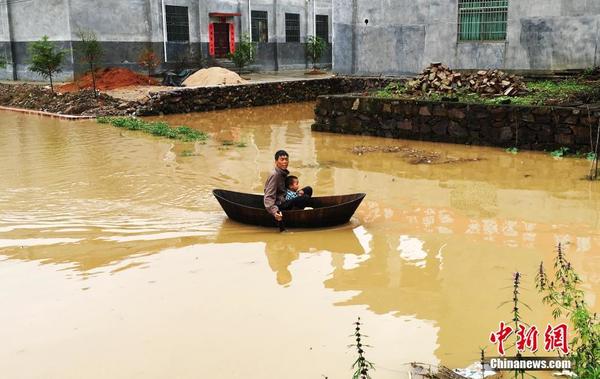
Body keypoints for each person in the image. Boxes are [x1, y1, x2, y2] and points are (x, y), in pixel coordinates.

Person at [264, 150, 313, 222]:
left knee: (308, 189)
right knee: (305, 198)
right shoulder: (275, 175)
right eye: (282, 159)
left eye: (286, 159)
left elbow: (286, 188)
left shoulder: (283, 173)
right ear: (276, 162)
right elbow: (268, 197)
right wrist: (275, 213)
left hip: (286, 197)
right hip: (279, 204)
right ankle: (297, 212)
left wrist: (298, 193)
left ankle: (297, 208)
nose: (284, 162)